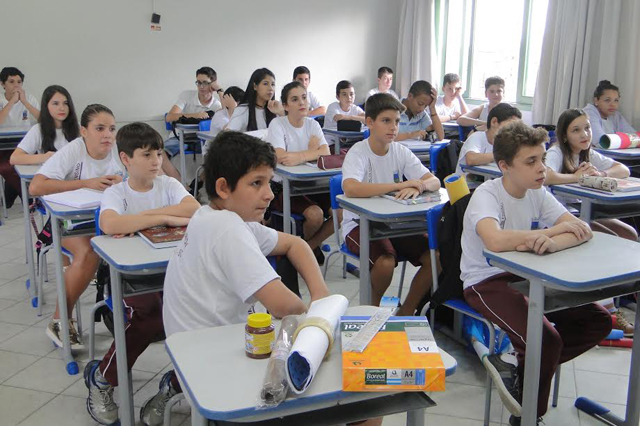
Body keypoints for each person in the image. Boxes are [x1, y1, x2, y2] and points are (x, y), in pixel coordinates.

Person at [460, 120, 611, 425]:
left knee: (599, 321)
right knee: (546, 341)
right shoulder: (487, 195)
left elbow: (581, 229)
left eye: (542, 158)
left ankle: (518, 366)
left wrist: (552, 243)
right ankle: (528, 416)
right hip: (485, 281)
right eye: (531, 162)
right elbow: (495, 240)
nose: (542, 168)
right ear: (504, 166)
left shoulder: (537, 191)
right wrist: (548, 233)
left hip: (529, 275)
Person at [162, 128, 330, 363]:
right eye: (256, 183)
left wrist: (320, 296)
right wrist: (321, 322)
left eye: (269, 182)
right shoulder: (226, 227)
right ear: (223, 188)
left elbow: (296, 244)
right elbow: (285, 307)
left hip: (195, 348)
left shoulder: (211, 215)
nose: (269, 194)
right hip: (207, 359)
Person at [83, 122, 200, 426]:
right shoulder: (117, 192)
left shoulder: (168, 185)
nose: (156, 161)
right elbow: (110, 223)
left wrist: (138, 220)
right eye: (147, 155)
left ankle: (174, 386)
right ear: (125, 158)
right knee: (148, 317)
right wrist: (166, 217)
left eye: (159, 154)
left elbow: (194, 210)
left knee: (200, 315)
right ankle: (102, 378)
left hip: (172, 272)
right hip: (128, 279)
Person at [29, 104, 125, 349]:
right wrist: (86, 183)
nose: (107, 135)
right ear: (84, 131)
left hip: (107, 220)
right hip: (69, 223)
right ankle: (60, 320)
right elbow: (36, 187)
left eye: (112, 129)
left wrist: (124, 182)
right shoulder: (74, 150)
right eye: (99, 129)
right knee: (90, 251)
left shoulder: (118, 149)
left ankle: (132, 313)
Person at [341, 93, 441, 315]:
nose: (393, 127)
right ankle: (373, 311)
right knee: (385, 263)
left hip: (394, 225)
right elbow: (351, 188)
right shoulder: (358, 152)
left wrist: (419, 186)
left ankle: (406, 311)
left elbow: (434, 181)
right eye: (386, 121)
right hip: (359, 224)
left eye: (396, 121)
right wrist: (398, 185)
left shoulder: (400, 150)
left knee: (435, 258)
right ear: (369, 122)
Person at [545, 108, 637, 336]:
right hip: (564, 217)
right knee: (610, 241)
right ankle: (610, 310)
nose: (584, 134)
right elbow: (547, 175)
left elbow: (623, 169)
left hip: (586, 212)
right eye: (576, 130)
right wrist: (578, 177)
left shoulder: (588, 153)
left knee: (629, 234)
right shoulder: (557, 151)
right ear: (564, 135)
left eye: (587, 128)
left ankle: (624, 294)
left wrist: (602, 175)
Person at [266, 81, 333, 264]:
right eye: (295, 99)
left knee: (341, 213)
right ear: (286, 106)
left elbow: (326, 152)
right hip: (285, 186)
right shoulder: (278, 124)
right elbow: (281, 156)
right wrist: (312, 152)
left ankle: (308, 247)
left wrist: (301, 156)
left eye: (304, 97)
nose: (302, 102)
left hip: (312, 184)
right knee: (315, 215)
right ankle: (307, 251)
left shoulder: (313, 124)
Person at [0, 67, 40, 207]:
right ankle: (27, 197)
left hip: (25, 144)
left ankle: (10, 194)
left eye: (19, 82)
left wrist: (25, 102)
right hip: (3, 146)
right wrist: (11, 102)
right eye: (11, 82)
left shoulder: (29, 98)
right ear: (3, 84)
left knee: (26, 166)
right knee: (6, 168)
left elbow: (43, 120)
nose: (16, 85)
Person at [10, 85, 79, 165]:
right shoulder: (38, 129)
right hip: (51, 172)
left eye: (65, 103)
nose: (62, 108)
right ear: (46, 106)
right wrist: (45, 157)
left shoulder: (79, 127)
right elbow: (14, 158)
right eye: (55, 104)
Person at [455, 103, 522, 179]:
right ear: (494, 122)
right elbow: (471, 159)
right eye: (510, 126)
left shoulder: (504, 142)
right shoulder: (477, 136)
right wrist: (501, 154)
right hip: (466, 184)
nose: (513, 130)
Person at [225, 68, 284, 132]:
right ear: (255, 86)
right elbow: (228, 134)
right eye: (265, 84)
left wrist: (281, 113)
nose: (271, 88)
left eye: (273, 84)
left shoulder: (275, 109)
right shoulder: (243, 110)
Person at [583, 80, 636, 147]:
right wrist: (625, 140)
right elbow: (601, 141)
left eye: (616, 100)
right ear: (596, 100)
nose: (613, 104)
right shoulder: (588, 113)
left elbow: (635, 137)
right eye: (607, 100)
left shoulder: (615, 115)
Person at [323, 80, 365, 147]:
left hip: (350, 142)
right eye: (344, 94)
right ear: (337, 97)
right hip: (332, 143)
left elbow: (368, 118)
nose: (349, 97)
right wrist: (358, 118)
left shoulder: (355, 108)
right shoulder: (333, 107)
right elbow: (339, 118)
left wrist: (350, 117)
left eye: (351, 94)